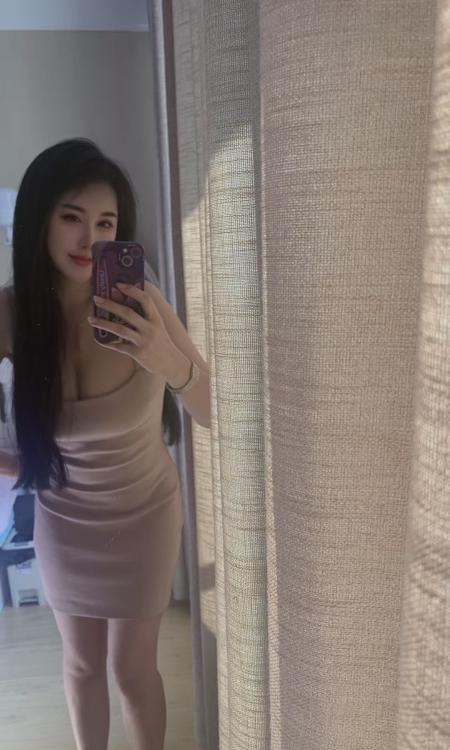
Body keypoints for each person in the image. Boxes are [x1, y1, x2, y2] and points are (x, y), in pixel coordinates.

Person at [0, 138, 210, 750]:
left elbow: (214, 411)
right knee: (82, 664)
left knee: (131, 669)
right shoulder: (13, 314)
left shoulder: (141, 306)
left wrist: (165, 357)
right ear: (38, 219)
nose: (89, 239)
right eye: (72, 216)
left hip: (144, 512)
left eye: (106, 223)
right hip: (64, 515)